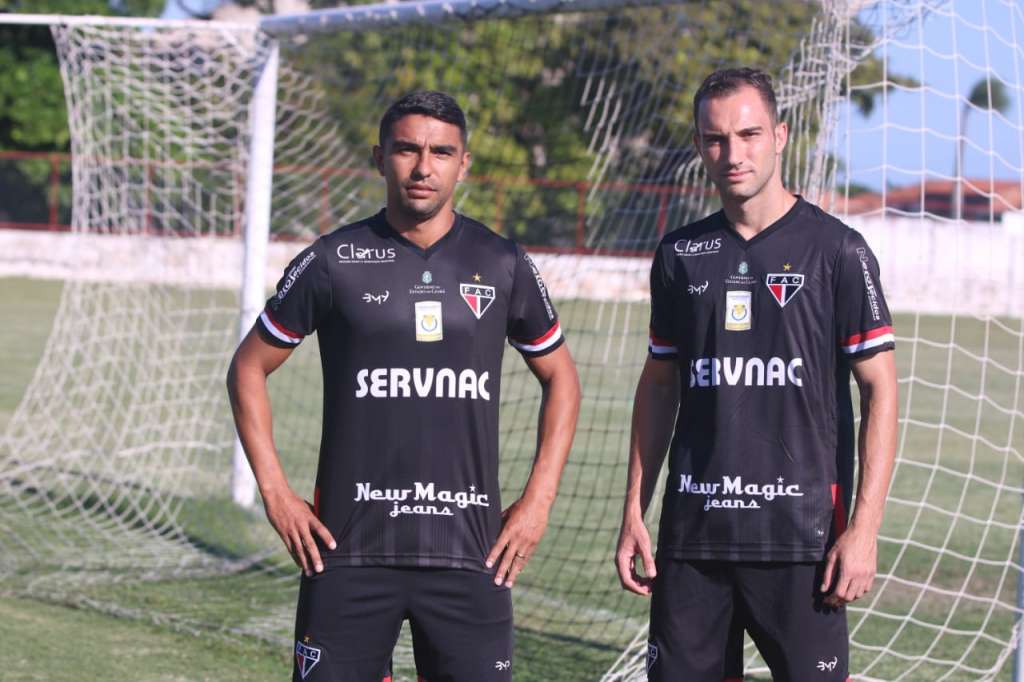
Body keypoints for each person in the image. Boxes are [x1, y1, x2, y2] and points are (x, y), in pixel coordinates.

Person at [227, 90, 581, 681]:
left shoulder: (501, 262)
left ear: (463, 163)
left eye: (441, 152)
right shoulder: (333, 260)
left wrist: (538, 501)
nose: (423, 167)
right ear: (379, 156)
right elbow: (247, 368)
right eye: (407, 149)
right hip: (347, 551)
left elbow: (562, 378)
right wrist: (277, 495)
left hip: (472, 553)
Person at [614, 67, 898, 681]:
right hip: (693, 537)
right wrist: (634, 507)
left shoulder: (838, 252)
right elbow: (661, 383)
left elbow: (880, 388)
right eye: (716, 139)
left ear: (780, 137)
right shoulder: (680, 255)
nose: (733, 153)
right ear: (699, 147)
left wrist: (865, 528)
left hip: (801, 541)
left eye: (748, 135)